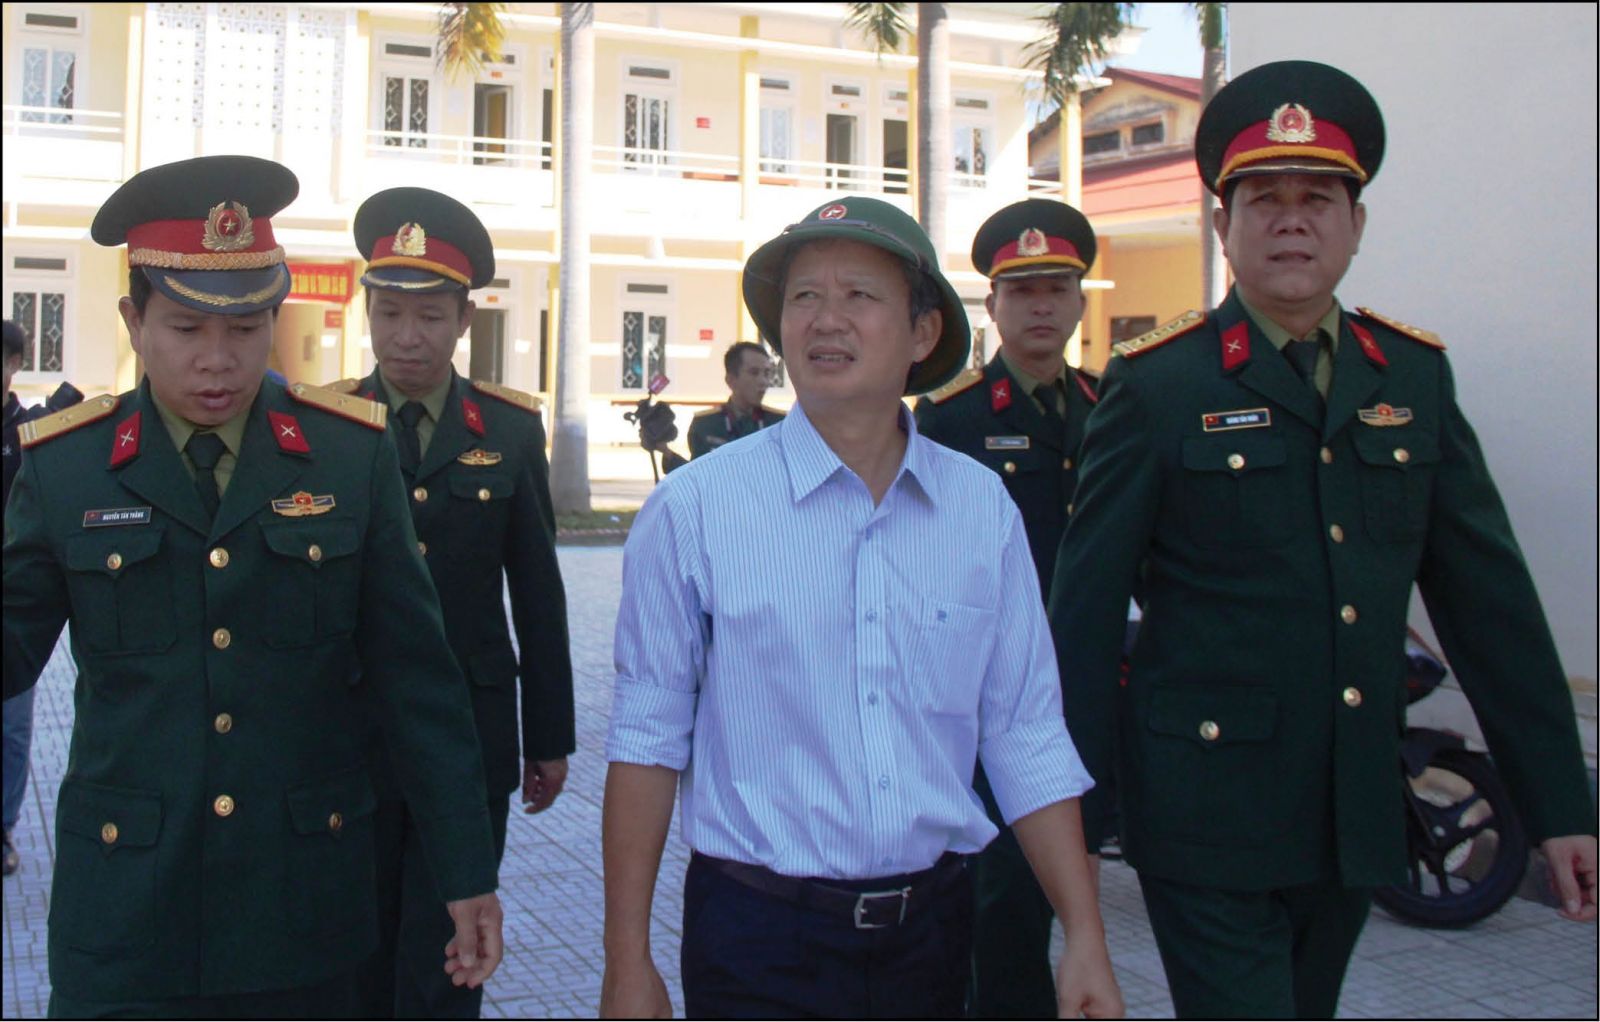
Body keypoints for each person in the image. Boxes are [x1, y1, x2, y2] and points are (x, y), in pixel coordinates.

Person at [1049, 60, 1598, 1018]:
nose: (1291, 221)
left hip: (1351, 812)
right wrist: (1076, 839)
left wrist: (1559, 807)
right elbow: (1085, 622)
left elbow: (1491, 607)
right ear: (1223, 225)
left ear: (1357, 225)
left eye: (1317, 200)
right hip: (1205, 816)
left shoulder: (1412, 377)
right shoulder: (1160, 383)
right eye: (1264, 200)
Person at [0, 155, 504, 1017]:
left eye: (244, 329)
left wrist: (465, 871)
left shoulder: (348, 458)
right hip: (126, 912)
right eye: (186, 328)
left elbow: (418, 679)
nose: (217, 361)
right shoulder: (67, 467)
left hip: (299, 909)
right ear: (134, 321)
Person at [599, 197, 1123, 1020]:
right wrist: (627, 960)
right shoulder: (696, 509)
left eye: (859, 296)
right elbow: (646, 737)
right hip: (757, 939)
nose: (825, 319)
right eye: (804, 296)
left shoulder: (979, 510)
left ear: (922, 333)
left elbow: (1025, 730)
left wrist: (1084, 933)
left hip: (932, 937)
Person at [335, 186, 576, 1019]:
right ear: (367, 311)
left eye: (431, 316)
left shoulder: (506, 431)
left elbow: (538, 594)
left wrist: (549, 737)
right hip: (351, 728)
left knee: (451, 954)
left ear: (466, 321)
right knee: (355, 949)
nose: (409, 336)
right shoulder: (330, 426)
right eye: (391, 312)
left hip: (473, 734)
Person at [913, 197, 1102, 1019]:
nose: (1041, 307)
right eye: (1022, 291)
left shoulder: (1109, 405)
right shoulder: (953, 415)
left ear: (1080, 301)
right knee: (1004, 905)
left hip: (1088, 685)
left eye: (1057, 289)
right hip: (988, 698)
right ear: (992, 304)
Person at [2, 319, 83, 878]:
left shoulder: (29, 431)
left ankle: (3, 828)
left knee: (11, 722)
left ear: (14, 367)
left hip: (15, 595)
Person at [685, 341, 785, 458]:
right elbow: (698, 467)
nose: (763, 381)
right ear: (731, 380)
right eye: (754, 373)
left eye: (767, 373)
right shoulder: (706, 424)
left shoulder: (778, 424)